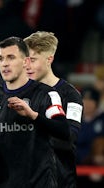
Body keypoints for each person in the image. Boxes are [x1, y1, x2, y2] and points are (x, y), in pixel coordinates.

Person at [0, 36, 70, 188]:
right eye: (0, 59)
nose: (4, 63)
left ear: (25, 61)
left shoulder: (47, 94)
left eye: (10, 57)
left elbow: (65, 132)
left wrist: (33, 115)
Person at [23, 31, 83, 188]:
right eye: (25, 60)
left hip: (60, 181)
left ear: (49, 59)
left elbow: (69, 139)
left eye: (33, 60)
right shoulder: (21, 93)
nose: (27, 65)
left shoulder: (70, 95)